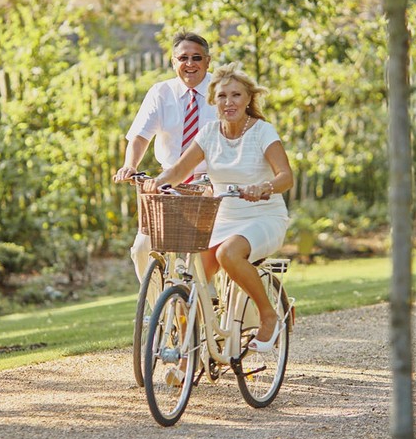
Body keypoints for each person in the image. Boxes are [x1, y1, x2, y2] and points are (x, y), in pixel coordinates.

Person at [143, 62, 293, 351]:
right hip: (222, 217)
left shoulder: (262, 131)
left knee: (228, 253)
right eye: (222, 96)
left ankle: (268, 316)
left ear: (249, 98)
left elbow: (286, 177)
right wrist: (157, 181)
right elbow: (177, 170)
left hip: (263, 216)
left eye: (236, 95)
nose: (229, 102)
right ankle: (190, 351)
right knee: (191, 275)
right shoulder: (209, 133)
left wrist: (265, 187)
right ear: (213, 101)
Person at [114, 30, 212, 280]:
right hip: (170, 185)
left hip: (213, 184)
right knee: (141, 248)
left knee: (205, 254)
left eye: (197, 58)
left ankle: (208, 299)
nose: (190, 64)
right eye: (183, 58)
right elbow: (140, 135)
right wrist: (129, 165)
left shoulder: (221, 92)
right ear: (173, 62)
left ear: (207, 61)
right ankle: (159, 309)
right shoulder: (161, 92)